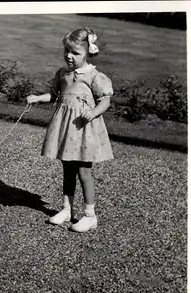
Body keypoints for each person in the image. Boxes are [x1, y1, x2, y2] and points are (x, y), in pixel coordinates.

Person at [27, 27, 114, 233]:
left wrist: (93, 112)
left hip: (83, 130)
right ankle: (67, 209)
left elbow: (105, 100)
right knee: (67, 169)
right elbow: (54, 95)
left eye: (76, 53)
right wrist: (39, 98)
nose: (69, 56)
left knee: (84, 171)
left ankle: (90, 215)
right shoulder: (62, 74)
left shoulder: (93, 76)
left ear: (88, 53)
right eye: (67, 51)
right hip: (66, 129)